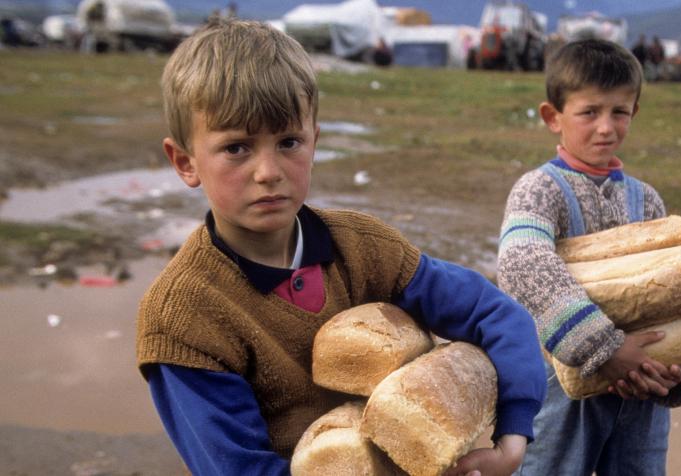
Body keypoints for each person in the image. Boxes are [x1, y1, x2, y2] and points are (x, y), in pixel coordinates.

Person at [135, 18, 547, 476]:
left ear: (315, 142)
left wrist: (512, 438)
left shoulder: (362, 246)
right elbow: (238, 468)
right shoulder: (184, 318)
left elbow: (495, 314)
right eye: (237, 148)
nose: (268, 171)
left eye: (288, 141)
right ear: (185, 162)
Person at [497, 39, 681, 475]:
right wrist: (606, 349)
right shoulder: (539, 190)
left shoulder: (647, 201)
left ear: (634, 113)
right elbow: (521, 263)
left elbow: (674, 295)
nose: (605, 127)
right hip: (561, 389)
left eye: (619, 112)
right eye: (589, 112)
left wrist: (675, 373)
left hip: (642, 396)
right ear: (554, 117)